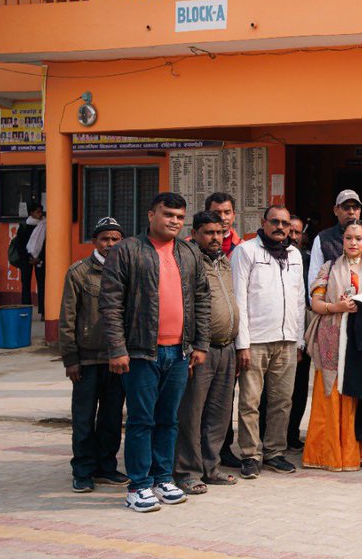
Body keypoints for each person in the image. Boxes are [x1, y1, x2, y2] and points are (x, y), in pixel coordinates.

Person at [99, 192, 209, 512]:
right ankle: (138, 485)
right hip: (139, 352)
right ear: (151, 215)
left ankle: (162, 477)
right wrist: (117, 348)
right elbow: (110, 303)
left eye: (179, 216)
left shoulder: (189, 253)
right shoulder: (127, 250)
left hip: (178, 352)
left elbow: (201, 300)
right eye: (168, 214)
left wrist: (199, 344)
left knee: (168, 419)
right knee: (141, 420)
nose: (174, 221)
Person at [303, 219, 362, 471]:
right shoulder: (329, 267)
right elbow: (316, 304)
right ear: (341, 240)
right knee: (332, 392)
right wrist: (338, 307)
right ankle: (329, 453)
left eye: (358, 238)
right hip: (332, 338)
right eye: (348, 238)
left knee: (361, 389)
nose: (353, 242)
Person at [231, 205, 306, 479]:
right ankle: (250, 454)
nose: (280, 227)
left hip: (287, 341)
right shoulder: (246, 252)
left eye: (284, 223)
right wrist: (243, 343)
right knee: (250, 401)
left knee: (281, 401)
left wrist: (299, 341)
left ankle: (275, 451)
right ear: (263, 223)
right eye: (274, 221)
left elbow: (299, 299)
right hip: (256, 342)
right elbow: (238, 298)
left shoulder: (295, 255)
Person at [174, 211, 240, 494]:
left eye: (220, 233)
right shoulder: (188, 261)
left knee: (220, 413)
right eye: (209, 233)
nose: (216, 238)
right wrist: (190, 347)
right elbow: (185, 307)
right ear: (196, 233)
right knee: (192, 413)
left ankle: (211, 467)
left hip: (227, 348)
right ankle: (187, 471)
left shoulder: (224, 262)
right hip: (201, 349)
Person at [60, 216, 127, 493]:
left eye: (115, 239)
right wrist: (71, 359)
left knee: (112, 418)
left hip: (117, 360)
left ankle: (106, 467)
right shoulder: (78, 273)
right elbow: (66, 319)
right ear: (94, 241)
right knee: (84, 418)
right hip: (87, 360)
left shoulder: (127, 271)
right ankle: (83, 471)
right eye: (104, 239)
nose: (109, 244)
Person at [308, 190, 362, 287]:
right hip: (334, 299)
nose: (351, 212)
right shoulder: (323, 239)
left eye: (355, 207)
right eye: (346, 207)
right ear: (335, 210)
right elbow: (314, 279)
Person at [285, 214, 312, 451]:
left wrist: (301, 341)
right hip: (273, 335)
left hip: (302, 330)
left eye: (297, 232)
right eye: (289, 230)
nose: (293, 236)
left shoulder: (307, 259)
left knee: (300, 388)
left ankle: (293, 434)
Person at [17, 202, 46, 318]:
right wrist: (30, 258)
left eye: (41, 211)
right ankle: (25, 312)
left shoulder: (45, 225)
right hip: (27, 260)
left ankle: (44, 312)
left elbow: (47, 244)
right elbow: (20, 245)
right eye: (37, 211)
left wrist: (39, 259)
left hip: (41, 260)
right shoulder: (24, 226)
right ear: (31, 213)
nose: (40, 214)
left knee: (42, 285)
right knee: (26, 285)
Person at [205, 192, 242, 257]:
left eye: (227, 213)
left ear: (233, 215)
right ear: (206, 214)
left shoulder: (243, 247)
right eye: (217, 213)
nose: (222, 218)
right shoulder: (190, 244)